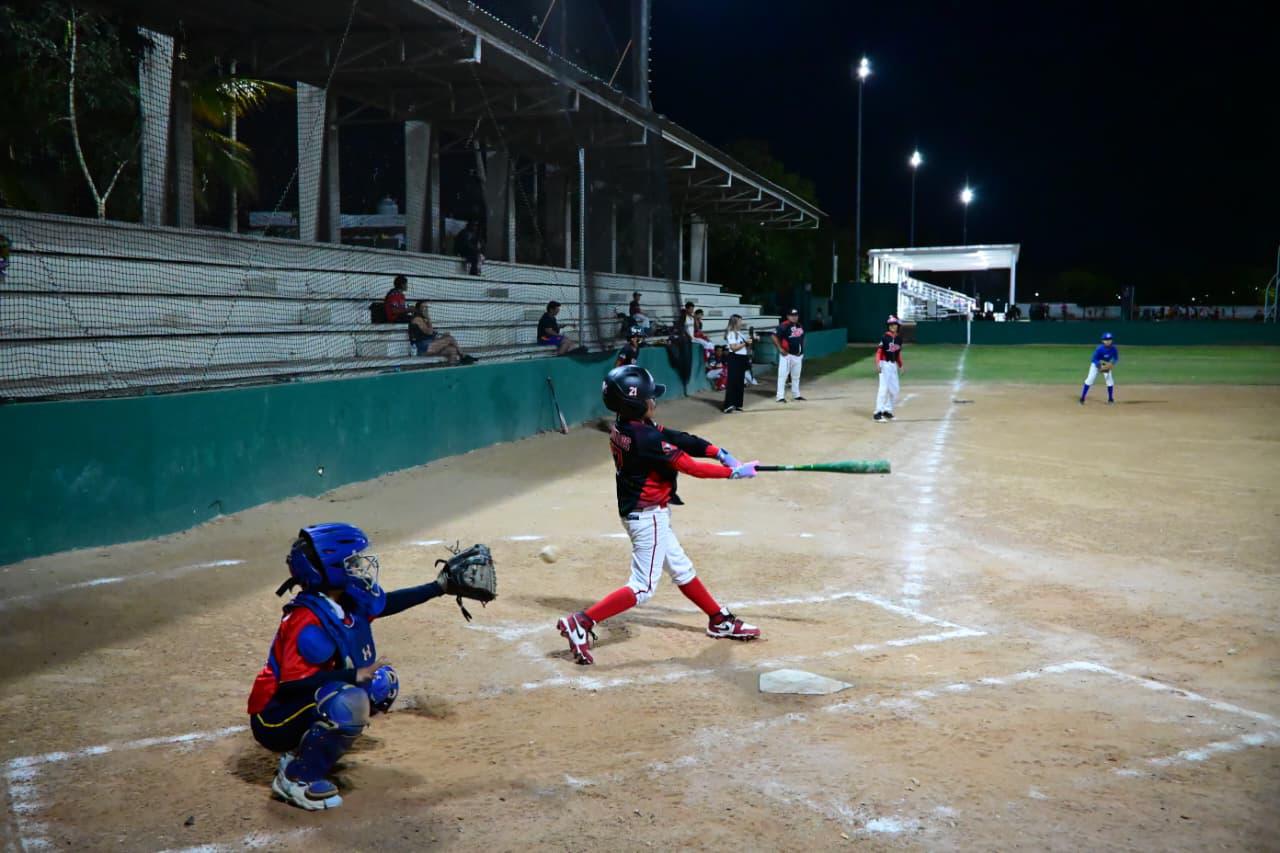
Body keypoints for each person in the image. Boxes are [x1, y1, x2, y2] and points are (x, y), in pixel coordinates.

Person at [247, 524, 464, 810]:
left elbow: (385, 604)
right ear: (330, 568)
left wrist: (438, 588)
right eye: (351, 561)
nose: (360, 566)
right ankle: (296, 778)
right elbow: (290, 686)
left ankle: (307, 749)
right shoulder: (307, 621)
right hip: (273, 718)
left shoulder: (342, 599)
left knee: (380, 685)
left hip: (300, 701)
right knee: (349, 701)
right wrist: (352, 675)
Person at [555, 366, 762, 665]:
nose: (655, 401)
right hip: (647, 515)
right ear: (636, 403)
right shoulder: (645, 438)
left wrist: (719, 451)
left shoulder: (628, 426)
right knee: (643, 586)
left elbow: (679, 438)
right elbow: (689, 466)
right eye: (651, 397)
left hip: (642, 512)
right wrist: (732, 472)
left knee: (680, 568)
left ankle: (718, 619)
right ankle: (582, 622)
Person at [408, 301, 476, 365]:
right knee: (450, 339)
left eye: (427, 307)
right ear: (418, 309)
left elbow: (431, 334)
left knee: (452, 350)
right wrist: (428, 318)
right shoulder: (417, 319)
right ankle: (463, 355)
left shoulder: (423, 319)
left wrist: (442, 336)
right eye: (424, 307)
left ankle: (452, 371)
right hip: (422, 348)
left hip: (430, 346)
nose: (426, 309)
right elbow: (429, 332)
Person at [873, 315, 904, 422]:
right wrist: (877, 363)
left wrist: (900, 365)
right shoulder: (885, 337)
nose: (892, 326)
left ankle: (887, 410)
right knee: (883, 388)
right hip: (884, 364)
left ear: (898, 326)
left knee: (895, 390)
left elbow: (898, 353)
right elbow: (879, 352)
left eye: (894, 324)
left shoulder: (899, 339)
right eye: (890, 325)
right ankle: (877, 413)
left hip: (893, 365)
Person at [773, 307, 806, 403]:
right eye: (792, 315)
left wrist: (802, 351)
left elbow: (802, 338)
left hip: (798, 356)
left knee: (796, 376)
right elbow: (774, 336)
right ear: (788, 316)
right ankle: (780, 397)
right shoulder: (784, 325)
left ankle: (796, 395)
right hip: (787, 355)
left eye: (796, 315)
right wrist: (780, 348)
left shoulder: (799, 325)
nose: (794, 317)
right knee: (783, 376)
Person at [722, 314, 751, 413]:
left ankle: (738, 404)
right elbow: (734, 348)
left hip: (742, 358)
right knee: (732, 381)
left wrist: (750, 342)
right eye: (740, 321)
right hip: (734, 358)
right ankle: (728, 405)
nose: (741, 323)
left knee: (739, 381)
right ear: (735, 322)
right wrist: (745, 343)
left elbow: (744, 346)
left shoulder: (740, 333)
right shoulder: (731, 334)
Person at [1079, 331, 1119, 405]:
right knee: (1090, 379)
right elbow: (1094, 359)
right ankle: (1082, 398)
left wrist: (1111, 364)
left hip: (1105, 364)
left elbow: (1116, 358)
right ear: (1103, 341)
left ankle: (1110, 399)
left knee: (1109, 380)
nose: (1108, 341)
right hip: (1096, 364)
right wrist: (1100, 366)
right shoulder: (1099, 349)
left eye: (1110, 339)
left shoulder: (1114, 349)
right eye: (1106, 339)